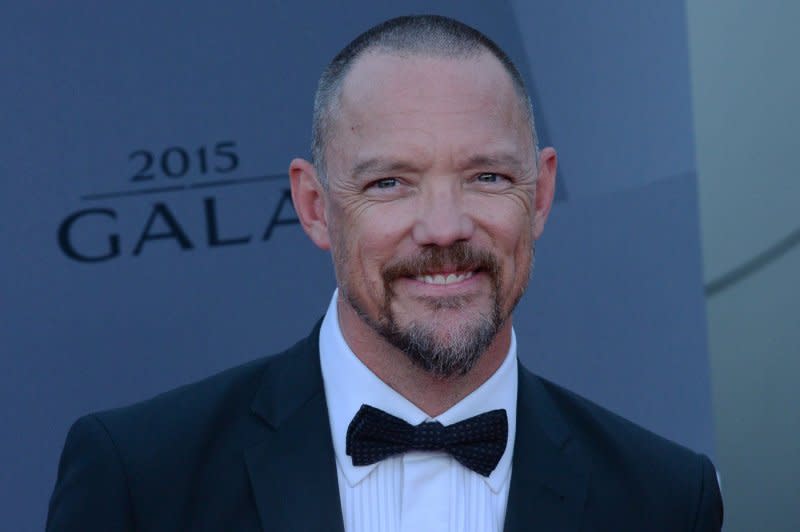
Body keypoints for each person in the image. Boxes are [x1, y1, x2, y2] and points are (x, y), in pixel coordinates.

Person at [47, 15, 723, 531]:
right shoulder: (141, 476)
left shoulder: (663, 497)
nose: (443, 227)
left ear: (540, 195)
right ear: (315, 208)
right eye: (391, 183)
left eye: (486, 176)